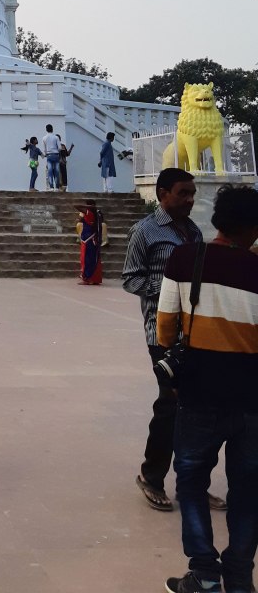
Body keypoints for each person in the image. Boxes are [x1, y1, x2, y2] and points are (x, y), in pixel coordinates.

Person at [157, 184, 258, 593]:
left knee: (192, 481)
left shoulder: (186, 258)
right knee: (248, 490)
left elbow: (165, 327)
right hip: (253, 400)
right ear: (250, 227)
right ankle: (239, 577)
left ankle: (205, 573)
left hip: (198, 393)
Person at [122, 168, 225, 514]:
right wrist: (168, 291)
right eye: (183, 193)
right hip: (161, 332)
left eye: (192, 193)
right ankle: (151, 477)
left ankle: (193, 484)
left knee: (198, 408)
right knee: (170, 404)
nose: (190, 200)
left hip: (195, 331)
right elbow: (130, 279)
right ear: (163, 193)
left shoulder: (194, 231)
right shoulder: (145, 231)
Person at [76, 199, 104, 286]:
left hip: (89, 239)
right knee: (92, 259)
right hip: (91, 238)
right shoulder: (96, 213)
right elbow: (81, 219)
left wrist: (87, 207)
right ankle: (93, 278)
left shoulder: (91, 213)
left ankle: (88, 279)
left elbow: (75, 205)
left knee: (87, 259)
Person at [41, 124, 62, 191]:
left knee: (50, 171)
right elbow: (60, 148)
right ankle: (57, 187)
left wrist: (46, 153)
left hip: (49, 156)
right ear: (52, 129)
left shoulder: (44, 138)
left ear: (46, 130)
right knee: (56, 171)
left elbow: (44, 150)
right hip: (56, 155)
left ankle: (51, 187)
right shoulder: (56, 137)